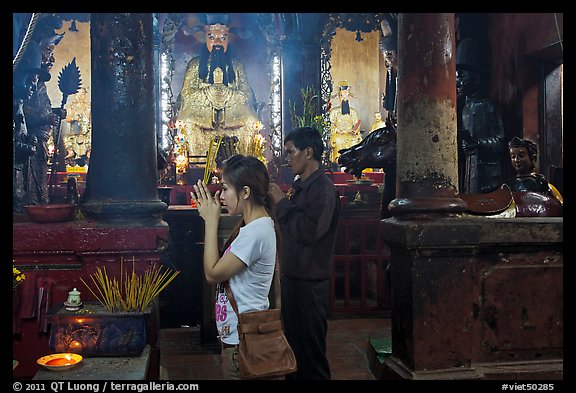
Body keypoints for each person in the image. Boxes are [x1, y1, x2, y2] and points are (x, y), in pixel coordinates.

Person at [191, 154, 279, 380]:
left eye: (226, 188)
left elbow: (212, 273)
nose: (221, 196)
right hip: (239, 335)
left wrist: (211, 222)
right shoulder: (254, 227)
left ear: (246, 192)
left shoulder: (256, 232)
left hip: (244, 340)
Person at [268, 126, 341, 380]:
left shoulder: (323, 189)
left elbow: (309, 232)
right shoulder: (302, 187)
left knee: (310, 355)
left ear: (308, 152)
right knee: (295, 350)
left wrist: (282, 203)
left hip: (310, 284)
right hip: (295, 278)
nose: (287, 160)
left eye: (291, 152)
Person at [176, 13, 262, 163]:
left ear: (228, 39)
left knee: (249, 120)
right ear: (205, 39)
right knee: (188, 121)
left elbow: (246, 94)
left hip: (231, 114)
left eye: (222, 38)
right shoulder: (195, 65)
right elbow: (187, 94)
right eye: (212, 37)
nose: (217, 42)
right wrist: (208, 93)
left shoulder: (236, 66)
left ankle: (244, 165)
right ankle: (199, 166)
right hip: (202, 114)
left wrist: (227, 94)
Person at [24, 15, 66, 204]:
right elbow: (22, 112)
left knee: (41, 182)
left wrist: (55, 112)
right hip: (29, 142)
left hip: (41, 143)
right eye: (48, 50)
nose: (51, 57)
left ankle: (40, 205)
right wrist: (46, 117)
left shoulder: (39, 83)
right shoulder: (26, 82)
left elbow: (42, 108)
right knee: (31, 184)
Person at [456, 37, 506, 194]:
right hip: (468, 172)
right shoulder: (462, 107)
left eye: (462, 76)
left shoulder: (487, 105)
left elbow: (499, 142)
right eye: (457, 76)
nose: (458, 81)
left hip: (487, 175)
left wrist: (477, 143)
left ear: (476, 77)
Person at [13, 41, 51, 214]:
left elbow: (21, 133)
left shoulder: (19, 105)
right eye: (30, 81)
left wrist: (30, 139)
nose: (33, 87)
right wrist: (28, 146)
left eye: (35, 83)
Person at [503, 137, 563, 205]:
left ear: (533, 158)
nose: (516, 160)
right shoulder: (508, 186)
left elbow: (560, 203)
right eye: (513, 157)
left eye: (521, 156)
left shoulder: (542, 184)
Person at [329, 81, 362, 163]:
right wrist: (337, 130)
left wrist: (355, 130)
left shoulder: (353, 112)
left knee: (355, 141)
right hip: (339, 135)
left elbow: (357, 124)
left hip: (350, 135)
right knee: (338, 141)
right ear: (339, 97)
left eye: (346, 96)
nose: (344, 98)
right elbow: (330, 124)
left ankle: (352, 163)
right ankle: (338, 162)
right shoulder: (334, 112)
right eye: (342, 96)